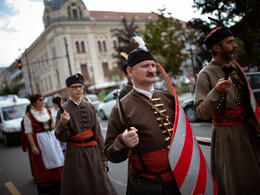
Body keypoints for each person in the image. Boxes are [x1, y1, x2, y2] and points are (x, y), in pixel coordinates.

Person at [105, 46, 181, 194]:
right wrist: (122, 141)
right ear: (130, 71)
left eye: (153, 65)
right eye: (145, 66)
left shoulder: (169, 99)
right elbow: (110, 153)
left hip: (180, 179)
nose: (151, 70)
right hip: (147, 186)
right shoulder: (120, 108)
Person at [194, 26, 260, 194]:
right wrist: (216, 92)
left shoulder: (235, 68)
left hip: (248, 131)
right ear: (216, 48)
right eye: (230, 42)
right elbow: (201, 112)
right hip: (227, 138)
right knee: (236, 184)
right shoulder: (205, 74)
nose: (235, 45)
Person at [55, 73, 116, 195]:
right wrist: (62, 123)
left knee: (100, 184)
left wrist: (103, 156)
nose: (78, 89)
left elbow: (98, 133)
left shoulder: (90, 106)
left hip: (93, 152)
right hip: (75, 154)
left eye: (80, 86)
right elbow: (61, 137)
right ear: (67, 89)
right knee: (81, 185)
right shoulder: (63, 110)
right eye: (74, 87)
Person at [23, 93, 64, 194]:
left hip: (52, 140)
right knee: (43, 164)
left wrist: (59, 139)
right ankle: (47, 187)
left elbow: (54, 126)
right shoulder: (29, 116)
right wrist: (33, 146)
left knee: (58, 160)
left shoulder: (48, 111)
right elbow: (28, 132)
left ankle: (60, 184)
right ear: (34, 103)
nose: (43, 101)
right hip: (40, 141)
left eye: (43, 99)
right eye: (40, 100)